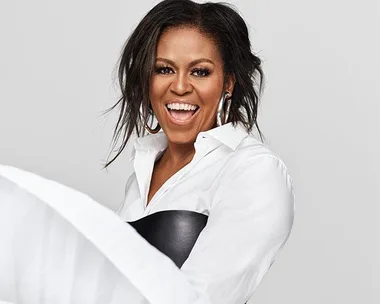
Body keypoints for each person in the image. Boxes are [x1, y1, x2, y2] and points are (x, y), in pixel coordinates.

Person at [103, 0, 295, 303]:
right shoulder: (141, 176)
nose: (179, 86)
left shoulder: (252, 170)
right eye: (164, 69)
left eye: (200, 72)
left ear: (228, 82)